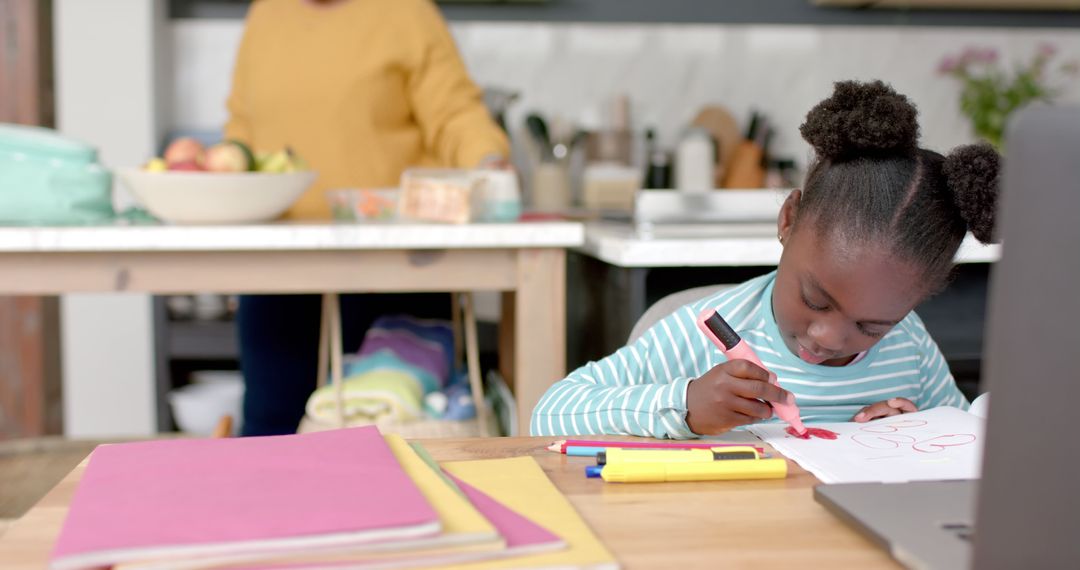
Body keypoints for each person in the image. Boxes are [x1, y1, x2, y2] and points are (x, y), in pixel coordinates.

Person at [531, 80, 999, 438]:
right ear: (788, 219)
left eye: (872, 327)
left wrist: (917, 431)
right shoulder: (709, 330)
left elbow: (962, 440)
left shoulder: (910, 346)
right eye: (816, 300)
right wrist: (688, 405)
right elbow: (550, 413)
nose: (828, 336)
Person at [223, 0, 510, 436]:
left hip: (394, 270)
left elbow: (454, 112)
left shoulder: (406, 13)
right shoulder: (266, 13)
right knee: (270, 430)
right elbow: (242, 129)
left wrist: (487, 161)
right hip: (279, 268)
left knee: (394, 436)